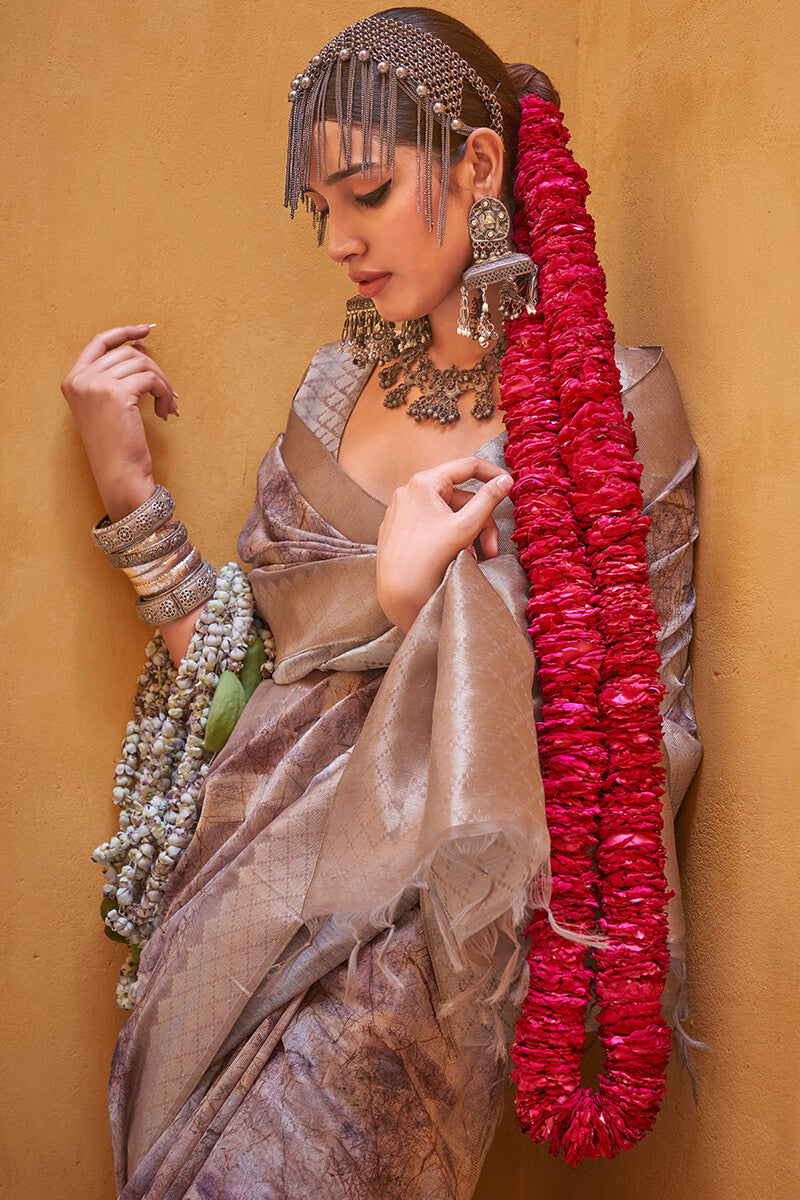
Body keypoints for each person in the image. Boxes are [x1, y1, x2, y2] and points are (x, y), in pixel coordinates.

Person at [62, 8, 703, 1197]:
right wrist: (130, 495)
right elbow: (242, 684)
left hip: (410, 965)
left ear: (477, 166)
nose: (338, 242)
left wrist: (425, 616)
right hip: (226, 912)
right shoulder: (331, 389)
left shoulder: (608, 413)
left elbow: (636, 752)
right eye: (321, 211)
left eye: (364, 192)